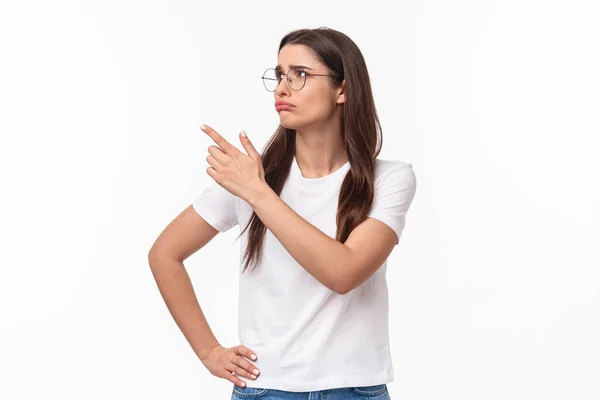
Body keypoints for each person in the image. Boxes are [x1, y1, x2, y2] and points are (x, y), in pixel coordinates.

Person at [148, 27, 417, 400]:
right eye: (279, 75)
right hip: (265, 389)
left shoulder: (389, 179)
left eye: (300, 75)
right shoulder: (250, 179)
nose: (281, 88)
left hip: (354, 389)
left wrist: (258, 193)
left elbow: (343, 273)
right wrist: (209, 352)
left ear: (343, 90)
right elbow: (165, 254)